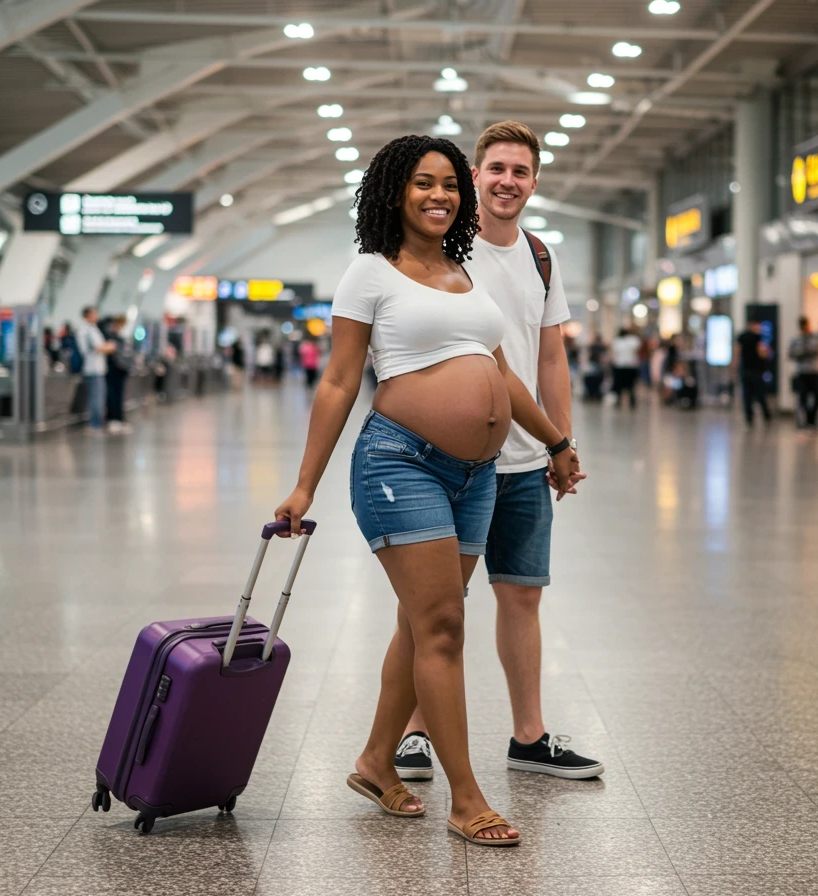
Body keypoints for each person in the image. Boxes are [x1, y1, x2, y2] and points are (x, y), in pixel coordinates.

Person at [273, 134, 580, 847]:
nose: (439, 195)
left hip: (476, 477)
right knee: (443, 626)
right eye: (423, 184)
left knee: (422, 623)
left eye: (448, 185)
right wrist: (303, 486)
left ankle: (378, 761)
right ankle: (467, 797)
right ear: (394, 193)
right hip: (399, 465)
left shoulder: (464, 272)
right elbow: (341, 381)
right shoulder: (369, 273)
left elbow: (501, 372)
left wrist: (557, 443)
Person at [391, 121, 600, 786]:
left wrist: (559, 443)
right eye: (497, 169)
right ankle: (414, 731)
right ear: (475, 177)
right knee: (433, 603)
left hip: (524, 464)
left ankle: (529, 737)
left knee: (522, 596)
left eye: (521, 171)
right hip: (454, 460)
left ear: (534, 183)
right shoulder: (444, 250)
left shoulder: (541, 256)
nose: (508, 180)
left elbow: (550, 353)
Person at [78, 306, 113, 435]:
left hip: (98, 368)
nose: (96, 316)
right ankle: (94, 423)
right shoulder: (86, 330)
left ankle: (97, 423)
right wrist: (109, 346)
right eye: (94, 314)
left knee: (98, 397)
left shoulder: (93, 329)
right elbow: (98, 348)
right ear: (87, 315)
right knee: (95, 397)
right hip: (92, 369)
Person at [789, 316, 818, 429]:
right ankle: (807, 420)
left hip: (816, 371)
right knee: (803, 397)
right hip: (802, 372)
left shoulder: (817, 337)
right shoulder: (796, 340)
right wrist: (801, 354)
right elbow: (790, 354)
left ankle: (812, 418)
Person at [735, 319, 772, 427]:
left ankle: (749, 416)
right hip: (756, 370)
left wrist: (734, 367)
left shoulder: (742, 336)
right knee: (760, 393)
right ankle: (766, 414)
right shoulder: (758, 337)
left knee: (747, 394)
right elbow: (763, 353)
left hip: (746, 369)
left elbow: (737, 351)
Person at [103, 315, 132, 434]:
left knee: (119, 394)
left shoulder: (120, 338)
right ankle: (112, 418)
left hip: (120, 369)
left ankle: (118, 418)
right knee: (112, 394)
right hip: (112, 369)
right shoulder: (109, 336)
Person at [609, 327, 642, 408]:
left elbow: (613, 352)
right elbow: (638, 350)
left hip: (620, 365)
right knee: (630, 384)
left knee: (619, 384)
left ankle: (619, 400)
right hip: (631, 365)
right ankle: (632, 400)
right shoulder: (633, 340)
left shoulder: (617, 341)